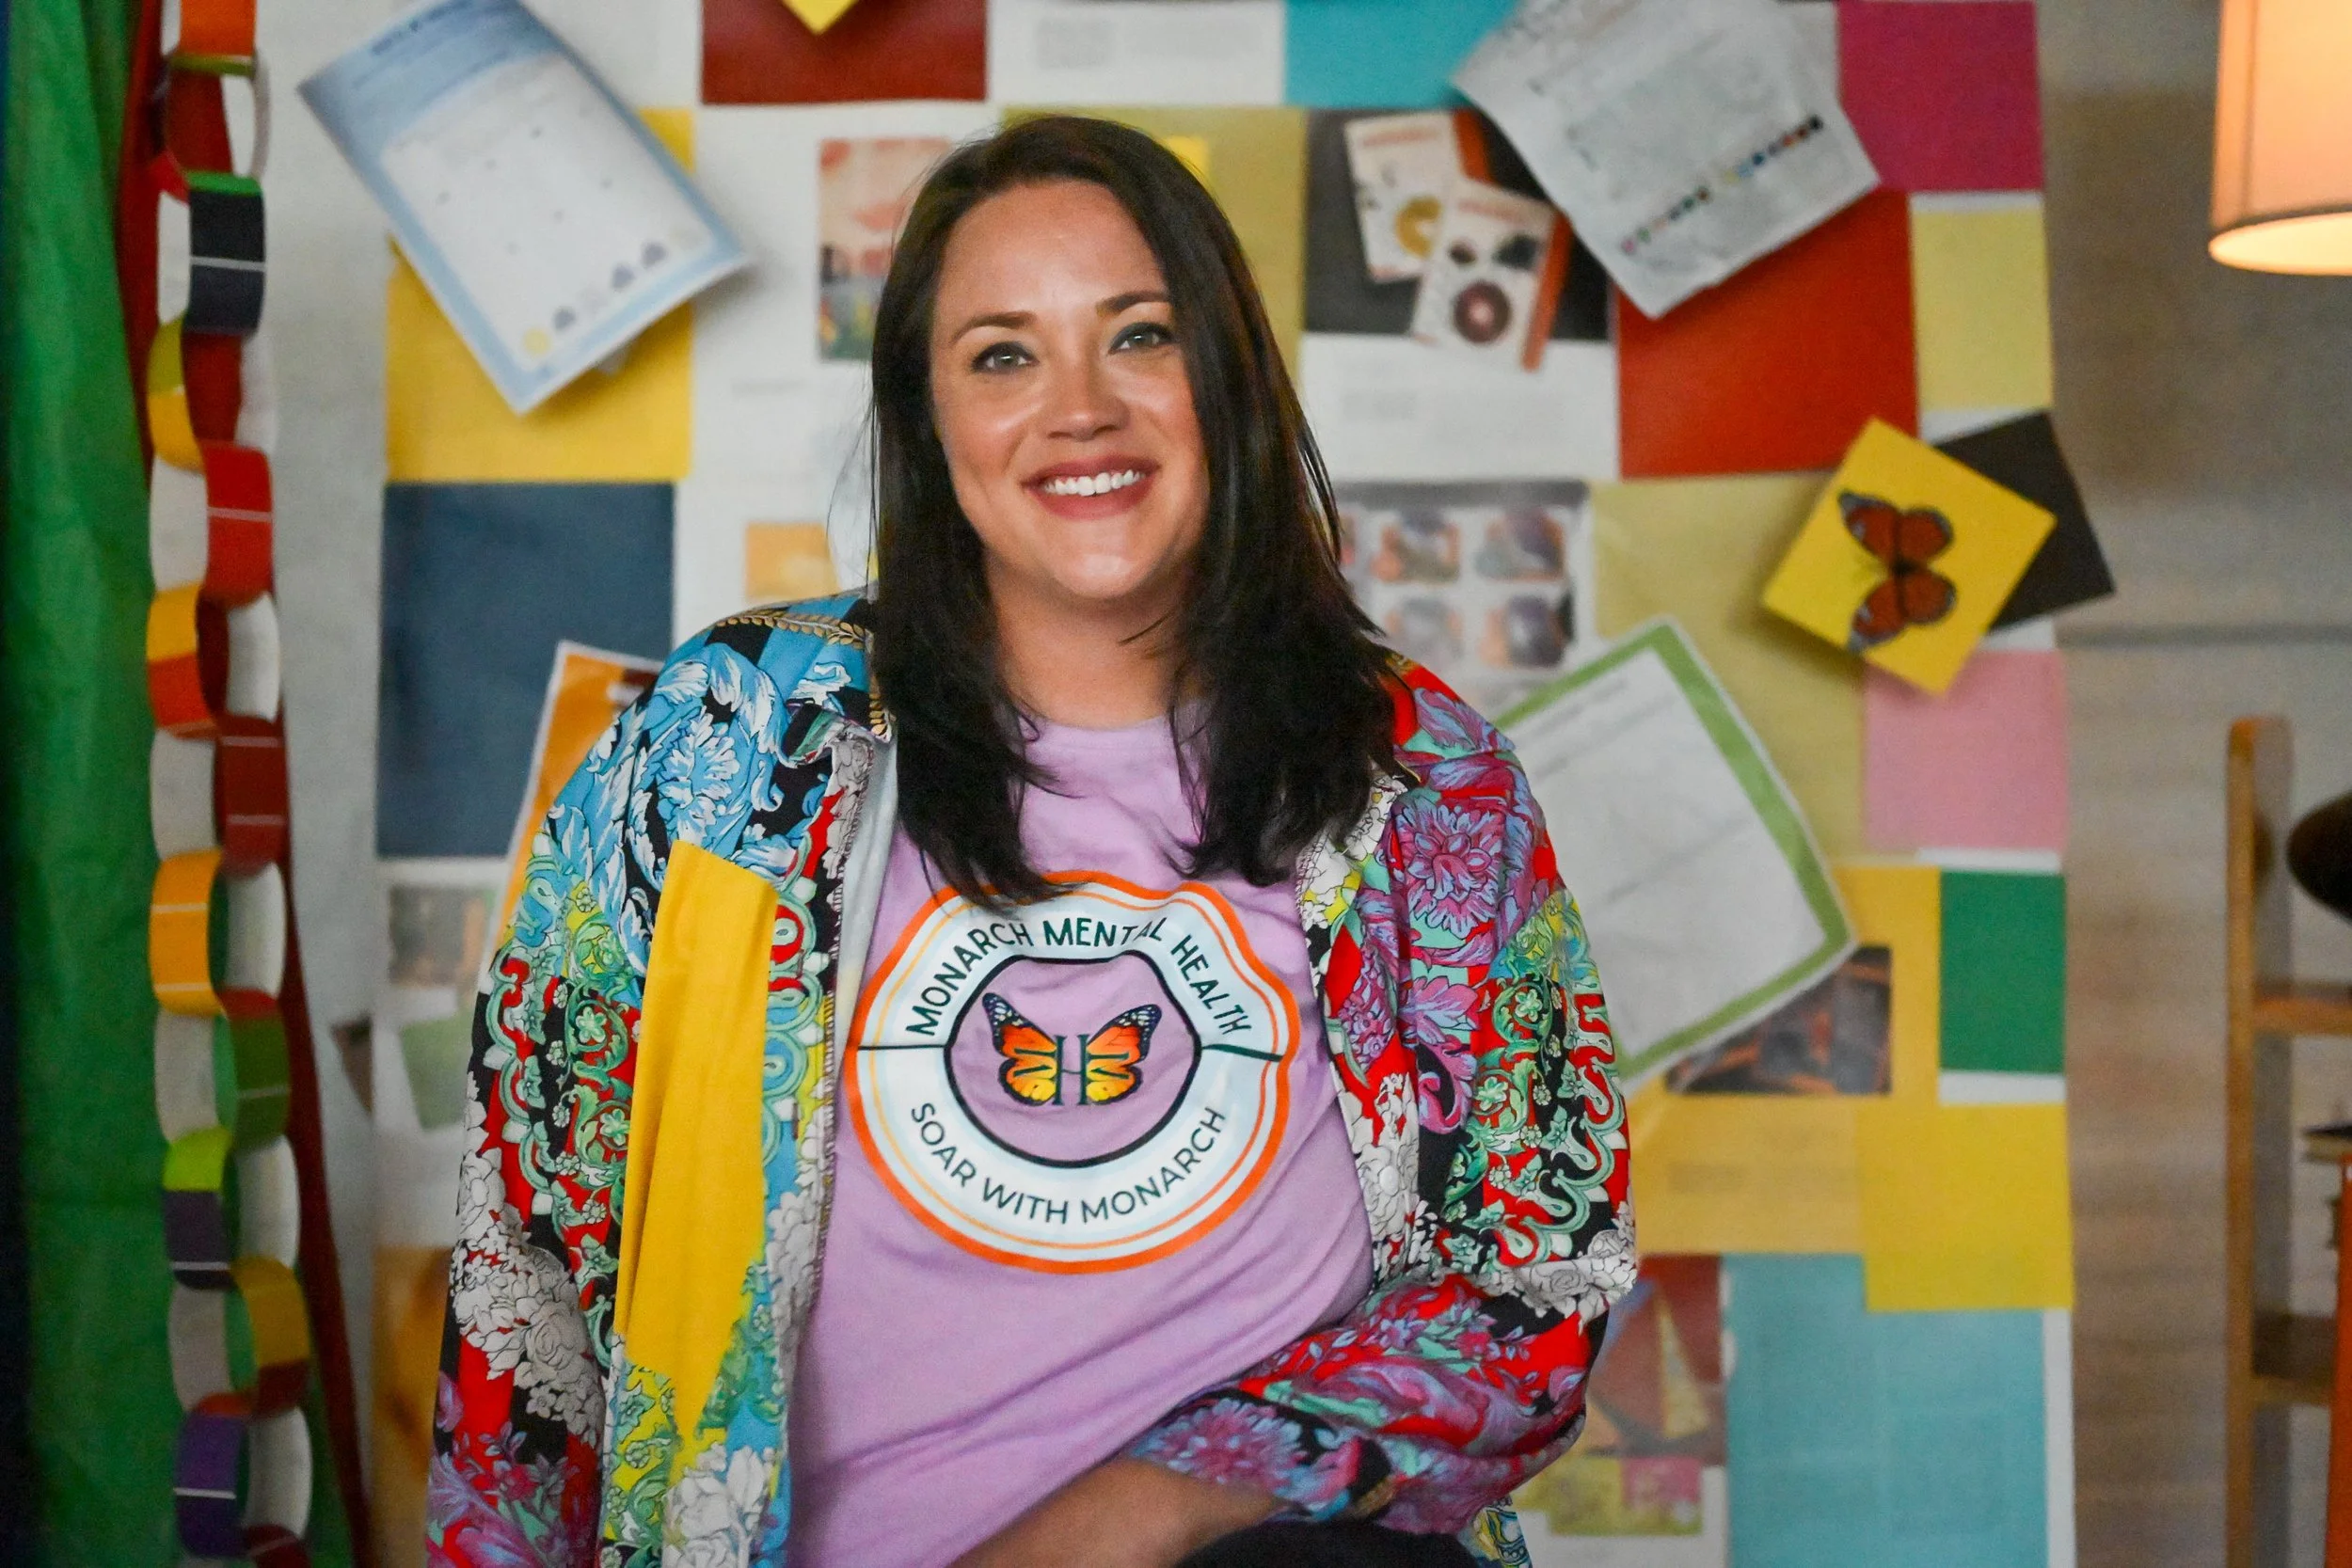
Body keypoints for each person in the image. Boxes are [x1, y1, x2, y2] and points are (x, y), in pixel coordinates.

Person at [426, 115, 1633, 1568]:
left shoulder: (1420, 774)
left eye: (1141, 336)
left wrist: (1138, 1512)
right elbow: (529, 1268)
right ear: (925, 418)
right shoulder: (730, 741)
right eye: (1003, 355)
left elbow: (1535, 1273)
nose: (1082, 410)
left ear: (1229, 377)